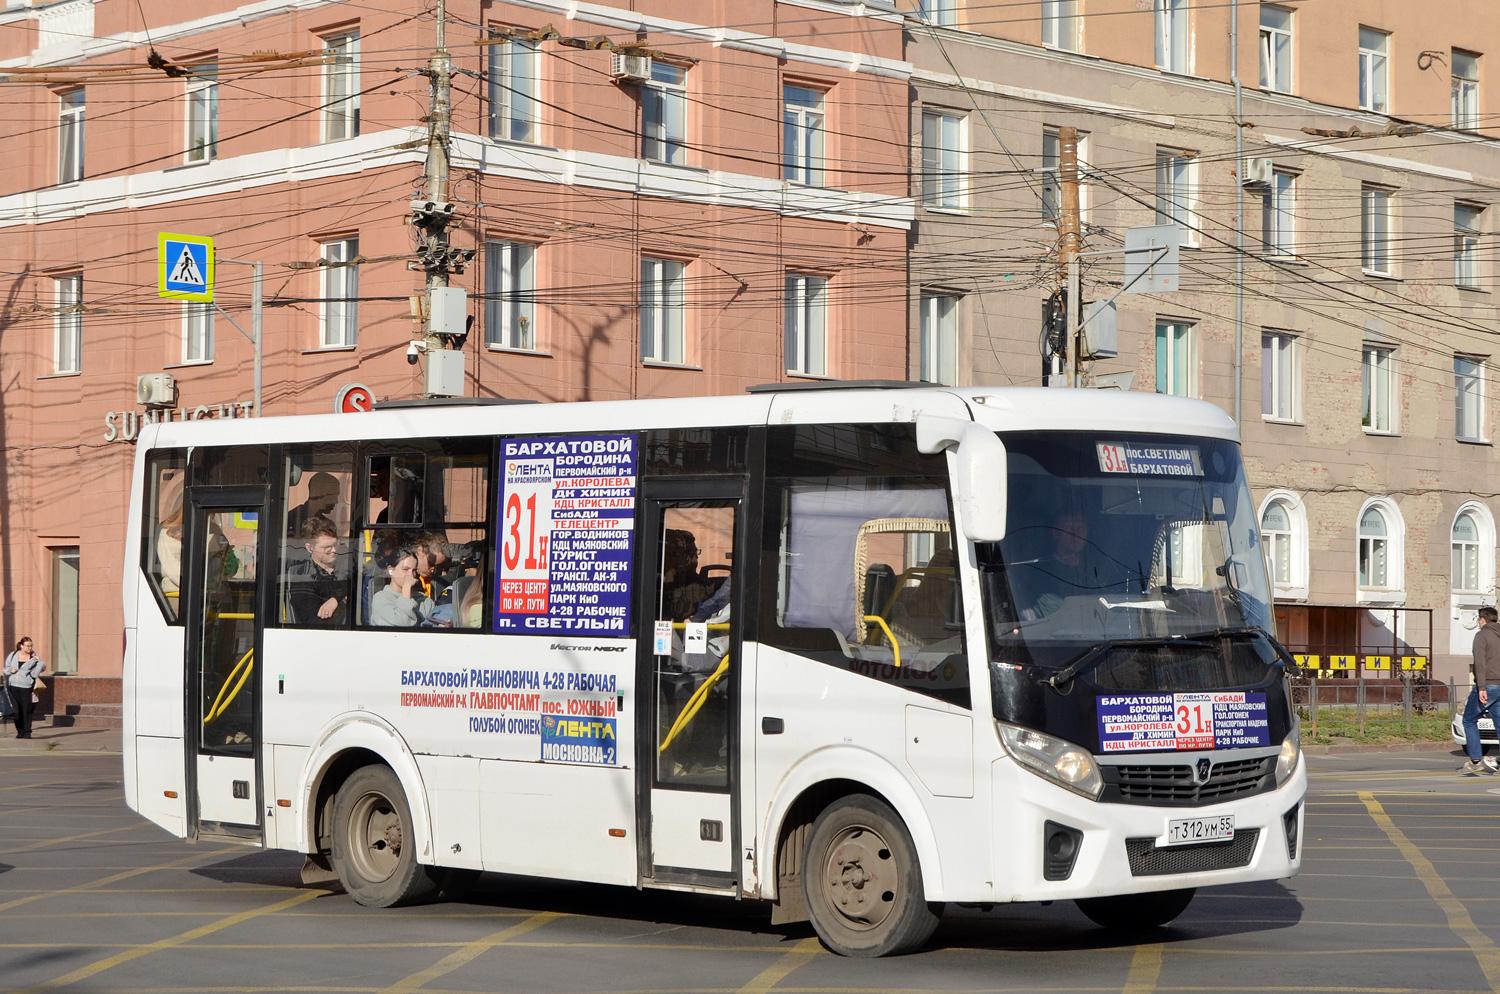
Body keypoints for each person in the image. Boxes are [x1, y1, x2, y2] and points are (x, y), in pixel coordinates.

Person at [287, 517, 349, 626]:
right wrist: (343, 602)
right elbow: (315, 622)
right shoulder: (303, 579)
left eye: (335, 545)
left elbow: (360, 576)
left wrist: (335, 599)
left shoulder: (345, 563)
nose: (334, 550)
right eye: (327, 547)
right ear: (310, 548)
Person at [1461, 605, 1500, 775]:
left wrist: (1481, 687)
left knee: (1469, 720)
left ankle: (1476, 760)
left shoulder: (1482, 635)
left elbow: (1480, 663)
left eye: (1478, 619)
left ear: (1482, 619)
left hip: (1488, 685)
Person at [370, 548, 438, 627]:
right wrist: (406, 588)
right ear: (391, 570)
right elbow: (403, 623)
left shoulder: (423, 600)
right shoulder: (381, 599)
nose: (411, 575)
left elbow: (436, 622)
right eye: (405, 569)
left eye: (414, 570)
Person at [5, 637, 46, 739]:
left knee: (26, 710)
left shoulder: (34, 656)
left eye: (31, 645)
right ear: (22, 646)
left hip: (26, 686)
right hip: (13, 685)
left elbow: (40, 669)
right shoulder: (13, 655)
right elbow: (5, 669)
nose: (30, 648)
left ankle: (27, 732)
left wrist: (38, 663)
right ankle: (20, 731)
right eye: (28, 646)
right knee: (16, 710)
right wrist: (11, 670)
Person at [286, 472, 342, 540]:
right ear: (317, 493)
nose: (336, 501)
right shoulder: (290, 519)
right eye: (332, 496)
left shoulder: (328, 524)